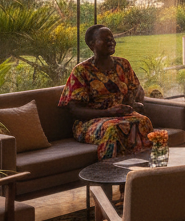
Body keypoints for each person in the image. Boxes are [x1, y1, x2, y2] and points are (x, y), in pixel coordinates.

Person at [59, 24, 152, 160]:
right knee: (113, 129)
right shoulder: (82, 71)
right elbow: (74, 110)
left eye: (112, 38)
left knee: (144, 122)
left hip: (120, 117)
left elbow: (136, 90)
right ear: (92, 45)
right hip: (88, 123)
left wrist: (134, 104)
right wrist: (108, 113)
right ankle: (109, 174)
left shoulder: (123, 65)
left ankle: (144, 172)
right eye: (105, 39)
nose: (111, 41)